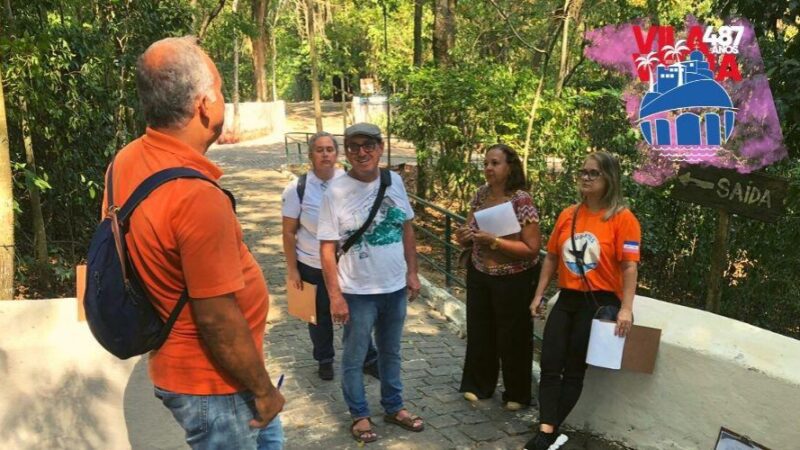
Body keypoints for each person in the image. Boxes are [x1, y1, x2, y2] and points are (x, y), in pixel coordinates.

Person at [103, 36, 284, 449]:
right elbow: (217, 321)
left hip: (185, 369)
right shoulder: (197, 197)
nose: (222, 100)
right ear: (205, 104)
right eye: (220, 91)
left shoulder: (126, 160)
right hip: (215, 385)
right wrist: (263, 390)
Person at [524, 151, 641, 450]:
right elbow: (551, 257)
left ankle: (546, 433)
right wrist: (539, 293)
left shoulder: (623, 219)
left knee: (574, 369)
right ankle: (548, 431)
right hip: (567, 298)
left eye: (594, 173)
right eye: (583, 172)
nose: (586, 178)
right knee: (549, 363)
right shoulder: (569, 214)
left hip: (597, 303)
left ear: (609, 178)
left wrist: (626, 308)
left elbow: (629, 266)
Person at [317, 123, 424, 443]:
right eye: (353, 146)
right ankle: (360, 415)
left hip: (393, 287)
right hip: (357, 291)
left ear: (379, 148)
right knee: (354, 356)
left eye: (368, 145)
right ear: (346, 152)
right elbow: (325, 248)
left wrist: (413, 272)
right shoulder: (335, 190)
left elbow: (407, 229)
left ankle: (394, 406)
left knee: (391, 352)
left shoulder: (395, 181)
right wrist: (335, 296)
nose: (361, 152)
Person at [281, 131, 379, 381]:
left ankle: (368, 357)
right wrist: (292, 270)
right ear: (311, 154)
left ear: (337, 154)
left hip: (346, 263)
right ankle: (324, 359)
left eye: (330, 149)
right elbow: (289, 232)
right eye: (319, 149)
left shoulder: (350, 181)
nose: (325, 154)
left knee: (356, 311)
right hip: (311, 263)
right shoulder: (298, 188)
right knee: (318, 316)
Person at [455, 144, 542, 411]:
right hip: (480, 273)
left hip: (514, 278)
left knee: (513, 335)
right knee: (480, 329)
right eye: (486, 164)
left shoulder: (521, 200)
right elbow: (464, 233)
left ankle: (517, 392)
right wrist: (464, 236)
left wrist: (494, 241)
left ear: (510, 167)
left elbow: (531, 249)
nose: (489, 169)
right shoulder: (480, 195)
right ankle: (478, 384)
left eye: (495, 163)